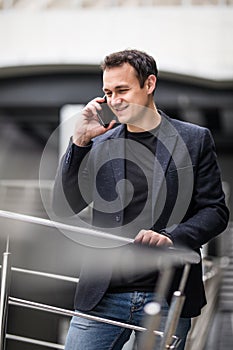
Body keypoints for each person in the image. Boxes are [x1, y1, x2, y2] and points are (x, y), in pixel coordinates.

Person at [52, 49, 229, 350]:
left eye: (122, 90)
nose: (114, 100)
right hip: (102, 295)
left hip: (166, 292)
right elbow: (64, 206)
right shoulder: (99, 143)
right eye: (107, 92)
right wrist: (80, 142)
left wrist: (171, 237)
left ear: (149, 84)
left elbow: (215, 211)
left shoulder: (194, 139)